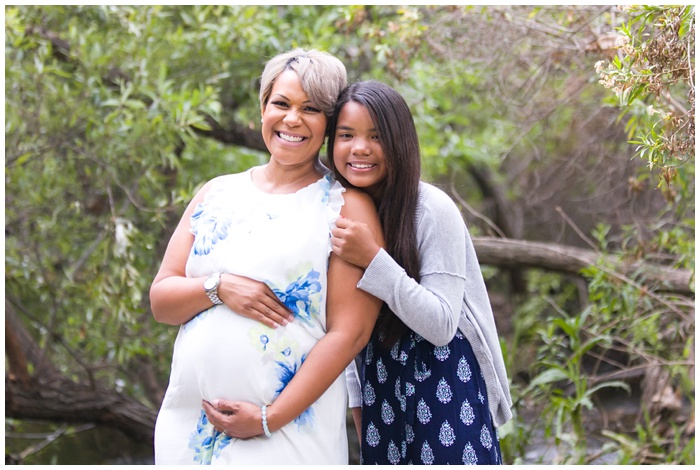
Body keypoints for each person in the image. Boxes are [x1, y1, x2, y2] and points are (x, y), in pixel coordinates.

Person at [150, 50, 384, 465]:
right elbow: (162, 301)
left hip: (287, 434)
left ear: (328, 124)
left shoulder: (343, 206)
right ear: (263, 109)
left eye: (310, 109)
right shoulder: (215, 192)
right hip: (189, 430)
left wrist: (266, 418)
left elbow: (350, 334)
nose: (292, 119)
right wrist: (217, 287)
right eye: (281, 103)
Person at [326, 80, 513, 465]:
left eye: (375, 136)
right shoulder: (336, 212)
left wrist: (373, 258)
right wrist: (362, 411)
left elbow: (442, 324)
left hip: (446, 381)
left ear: (399, 143)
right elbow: (345, 327)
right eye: (346, 135)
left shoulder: (431, 209)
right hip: (382, 390)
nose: (359, 148)